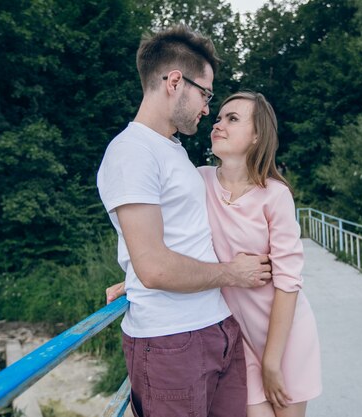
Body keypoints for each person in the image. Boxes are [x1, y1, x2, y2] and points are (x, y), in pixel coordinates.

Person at [97, 26, 272, 417]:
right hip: (170, 341)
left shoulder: (172, 149)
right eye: (206, 94)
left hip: (219, 327)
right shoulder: (132, 153)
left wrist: (135, 274)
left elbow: (175, 241)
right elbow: (156, 267)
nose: (207, 108)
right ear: (175, 81)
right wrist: (232, 273)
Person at [197, 91, 322, 417]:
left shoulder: (275, 196)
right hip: (239, 340)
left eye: (232, 119)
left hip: (286, 339)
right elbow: (170, 243)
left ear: (256, 136)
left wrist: (272, 360)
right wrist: (135, 280)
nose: (218, 124)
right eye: (219, 117)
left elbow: (287, 280)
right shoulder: (199, 180)